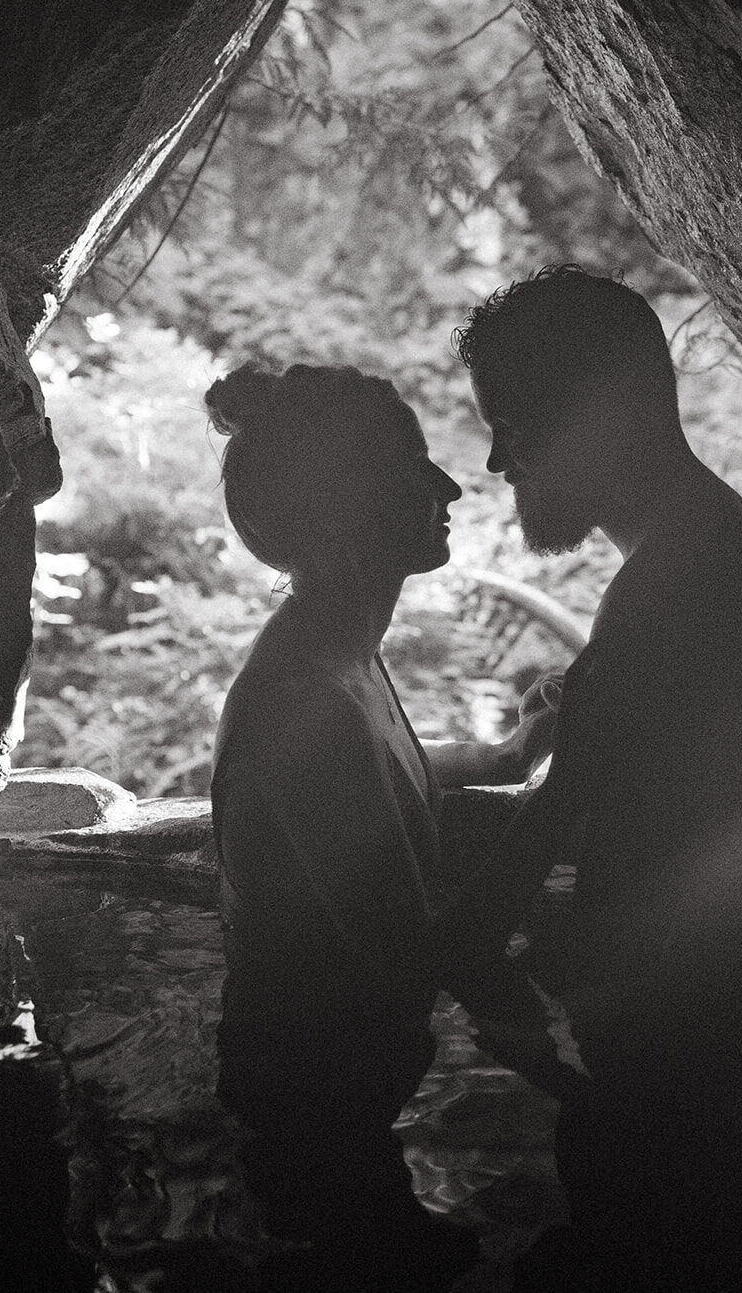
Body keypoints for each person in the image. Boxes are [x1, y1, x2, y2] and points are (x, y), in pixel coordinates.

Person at [452, 265, 742, 1289]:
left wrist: (431, 957)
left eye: (510, 421)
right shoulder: (710, 538)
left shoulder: (674, 582)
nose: (493, 460)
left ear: (589, 413)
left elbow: (536, 837)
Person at [204, 361, 558, 1292]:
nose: (447, 485)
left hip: (327, 1085)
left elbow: (377, 776)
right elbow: (423, 948)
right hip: (313, 1106)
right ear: (353, 503)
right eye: (414, 465)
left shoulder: (335, 652)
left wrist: (508, 756)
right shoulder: (305, 701)